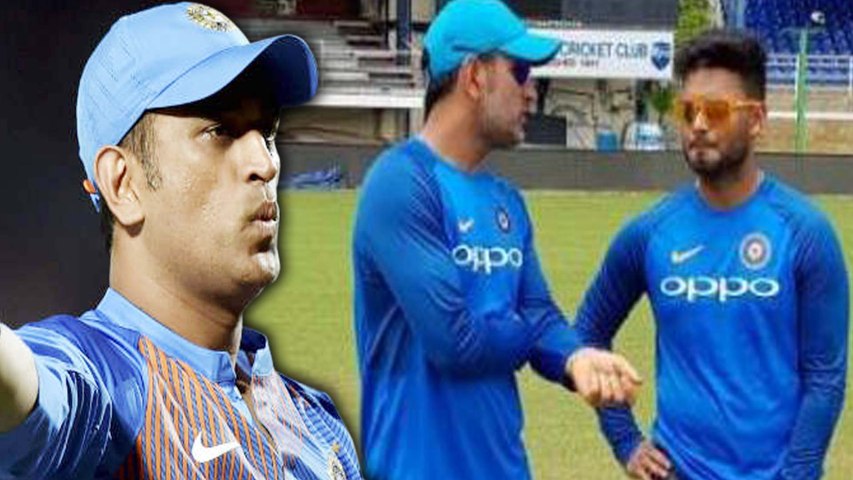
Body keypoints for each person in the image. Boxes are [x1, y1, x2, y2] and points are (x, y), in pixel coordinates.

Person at [0, 3, 360, 479]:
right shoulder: (101, 389)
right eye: (219, 131)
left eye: (268, 133)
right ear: (123, 184)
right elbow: (24, 385)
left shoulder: (318, 421)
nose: (266, 163)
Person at [351, 1, 643, 478]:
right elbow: (456, 344)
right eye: (520, 71)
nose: (532, 90)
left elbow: (539, 312)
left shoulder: (505, 200)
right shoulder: (401, 182)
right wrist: (528, 334)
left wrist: (575, 356)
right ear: (474, 76)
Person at [575, 29, 848, 480]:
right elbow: (588, 333)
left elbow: (825, 377)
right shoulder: (650, 232)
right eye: (687, 110)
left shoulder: (805, 233)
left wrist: (798, 474)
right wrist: (626, 441)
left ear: (756, 119)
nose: (698, 124)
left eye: (716, 110)